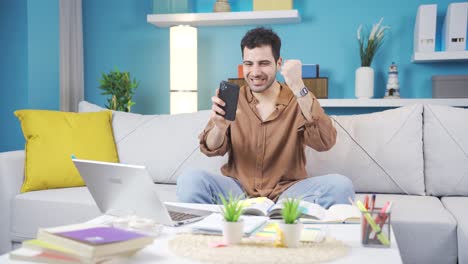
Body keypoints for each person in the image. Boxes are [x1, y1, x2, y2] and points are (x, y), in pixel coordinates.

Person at [177, 27, 355, 208]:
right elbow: (210, 148)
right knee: (190, 179)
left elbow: (325, 142)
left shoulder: (299, 99)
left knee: (340, 186)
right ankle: (212, 230)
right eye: (248, 63)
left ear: (278, 63)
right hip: (238, 192)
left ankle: (278, 215)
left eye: (263, 63)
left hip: (288, 194)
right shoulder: (233, 99)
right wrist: (219, 129)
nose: (254, 72)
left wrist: (299, 85)